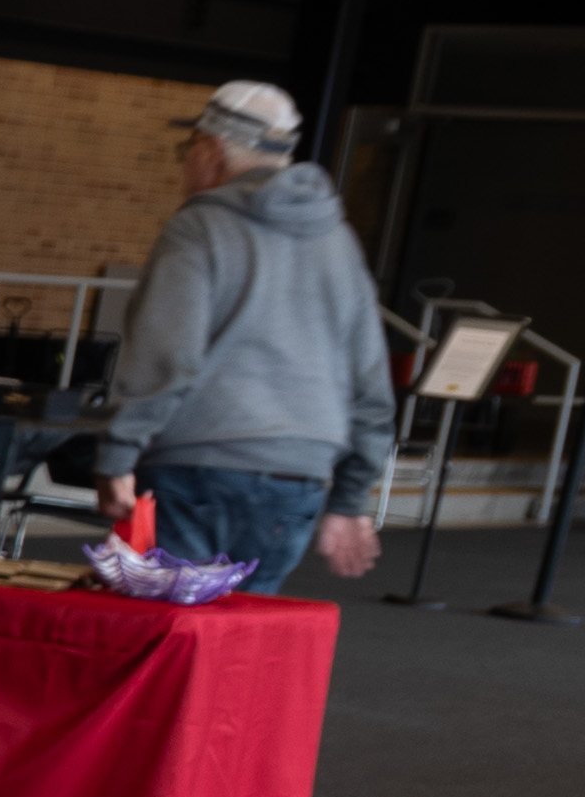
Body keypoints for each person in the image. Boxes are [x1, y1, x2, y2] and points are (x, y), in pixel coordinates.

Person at [90, 80, 392, 598]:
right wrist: (350, 498)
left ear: (211, 150)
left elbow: (167, 353)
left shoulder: (200, 228)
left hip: (198, 466)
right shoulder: (338, 239)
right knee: (243, 640)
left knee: (172, 634)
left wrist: (117, 456)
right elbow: (369, 377)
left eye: (188, 150)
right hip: (298, 477)